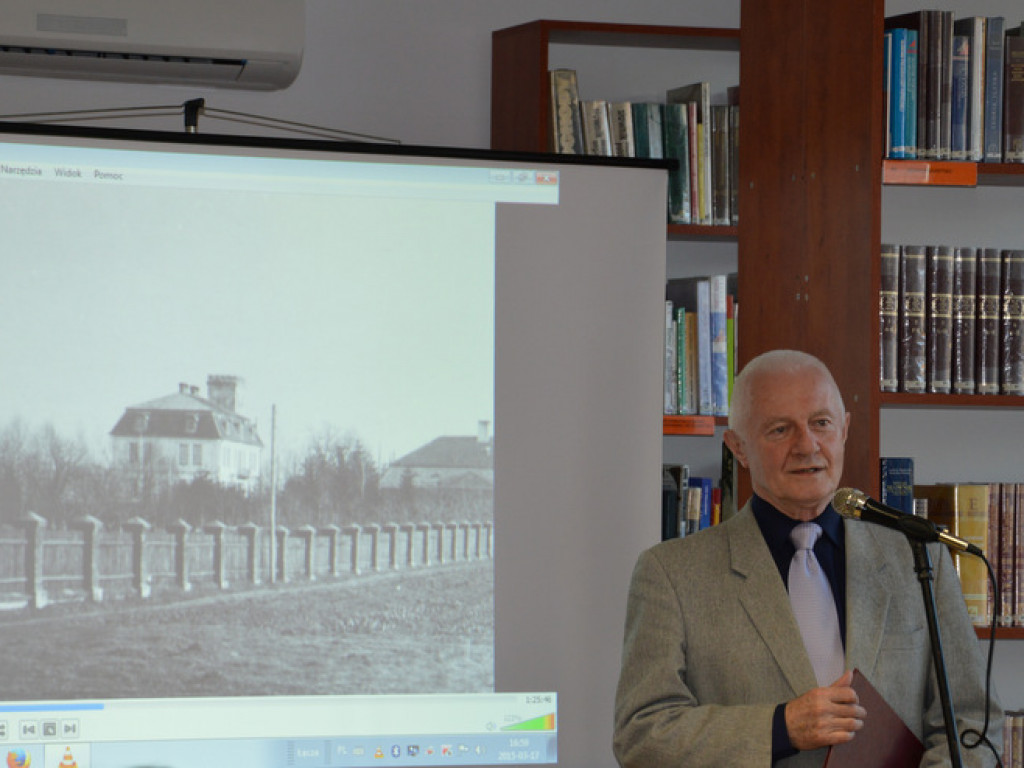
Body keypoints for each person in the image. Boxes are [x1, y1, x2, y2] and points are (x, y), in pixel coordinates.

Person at [613, 349, 1002, 767]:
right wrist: (781, 728)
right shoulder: (671, 575)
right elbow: (641, 736)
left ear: (845, 429)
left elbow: (971, 724)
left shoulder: (919, 558)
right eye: (780, 430)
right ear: (738, 448)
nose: (807, 445)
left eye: (821, 423)